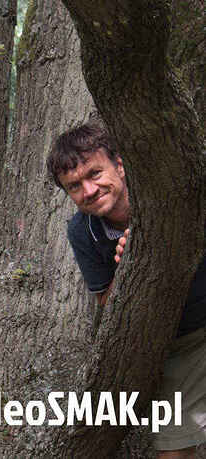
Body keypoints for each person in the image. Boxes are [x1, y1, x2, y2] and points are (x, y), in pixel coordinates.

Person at [47, 122, 206, 458]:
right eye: (74, 186)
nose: (89, 190)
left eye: (94, 174)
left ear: (119, 164)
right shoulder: (82, 231)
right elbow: (107, 300)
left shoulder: (167, 187)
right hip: (184, 341)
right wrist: (131, 269)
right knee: (173, 448)